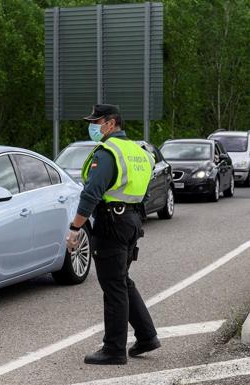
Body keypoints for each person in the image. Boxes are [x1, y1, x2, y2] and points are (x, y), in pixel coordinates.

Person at [65, 104, 160, 365]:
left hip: (111, 223)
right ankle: (147, 336)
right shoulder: (139, 152)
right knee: (122, 280)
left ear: (112, 123)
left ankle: (114, 349)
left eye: (98, 122)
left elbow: (91, 193)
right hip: (132, 221)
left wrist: (75, 229)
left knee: (114, 285)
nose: (94, 127)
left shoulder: (108, 152)